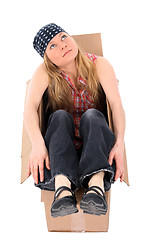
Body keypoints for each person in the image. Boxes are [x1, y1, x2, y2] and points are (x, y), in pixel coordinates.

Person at [23, 23, 125, 218]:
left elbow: (116, 105)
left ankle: (96, 189)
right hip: (61, 151)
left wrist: (119, 143)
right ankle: (63, 191)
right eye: (52, 46)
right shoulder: (45, 73)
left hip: (95, 148)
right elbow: (29, 107)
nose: (62, 45)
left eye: (63, 37)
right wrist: (37, 143)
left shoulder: (99, 64)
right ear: (48, 59)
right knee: (59, 116)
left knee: (93, 115)